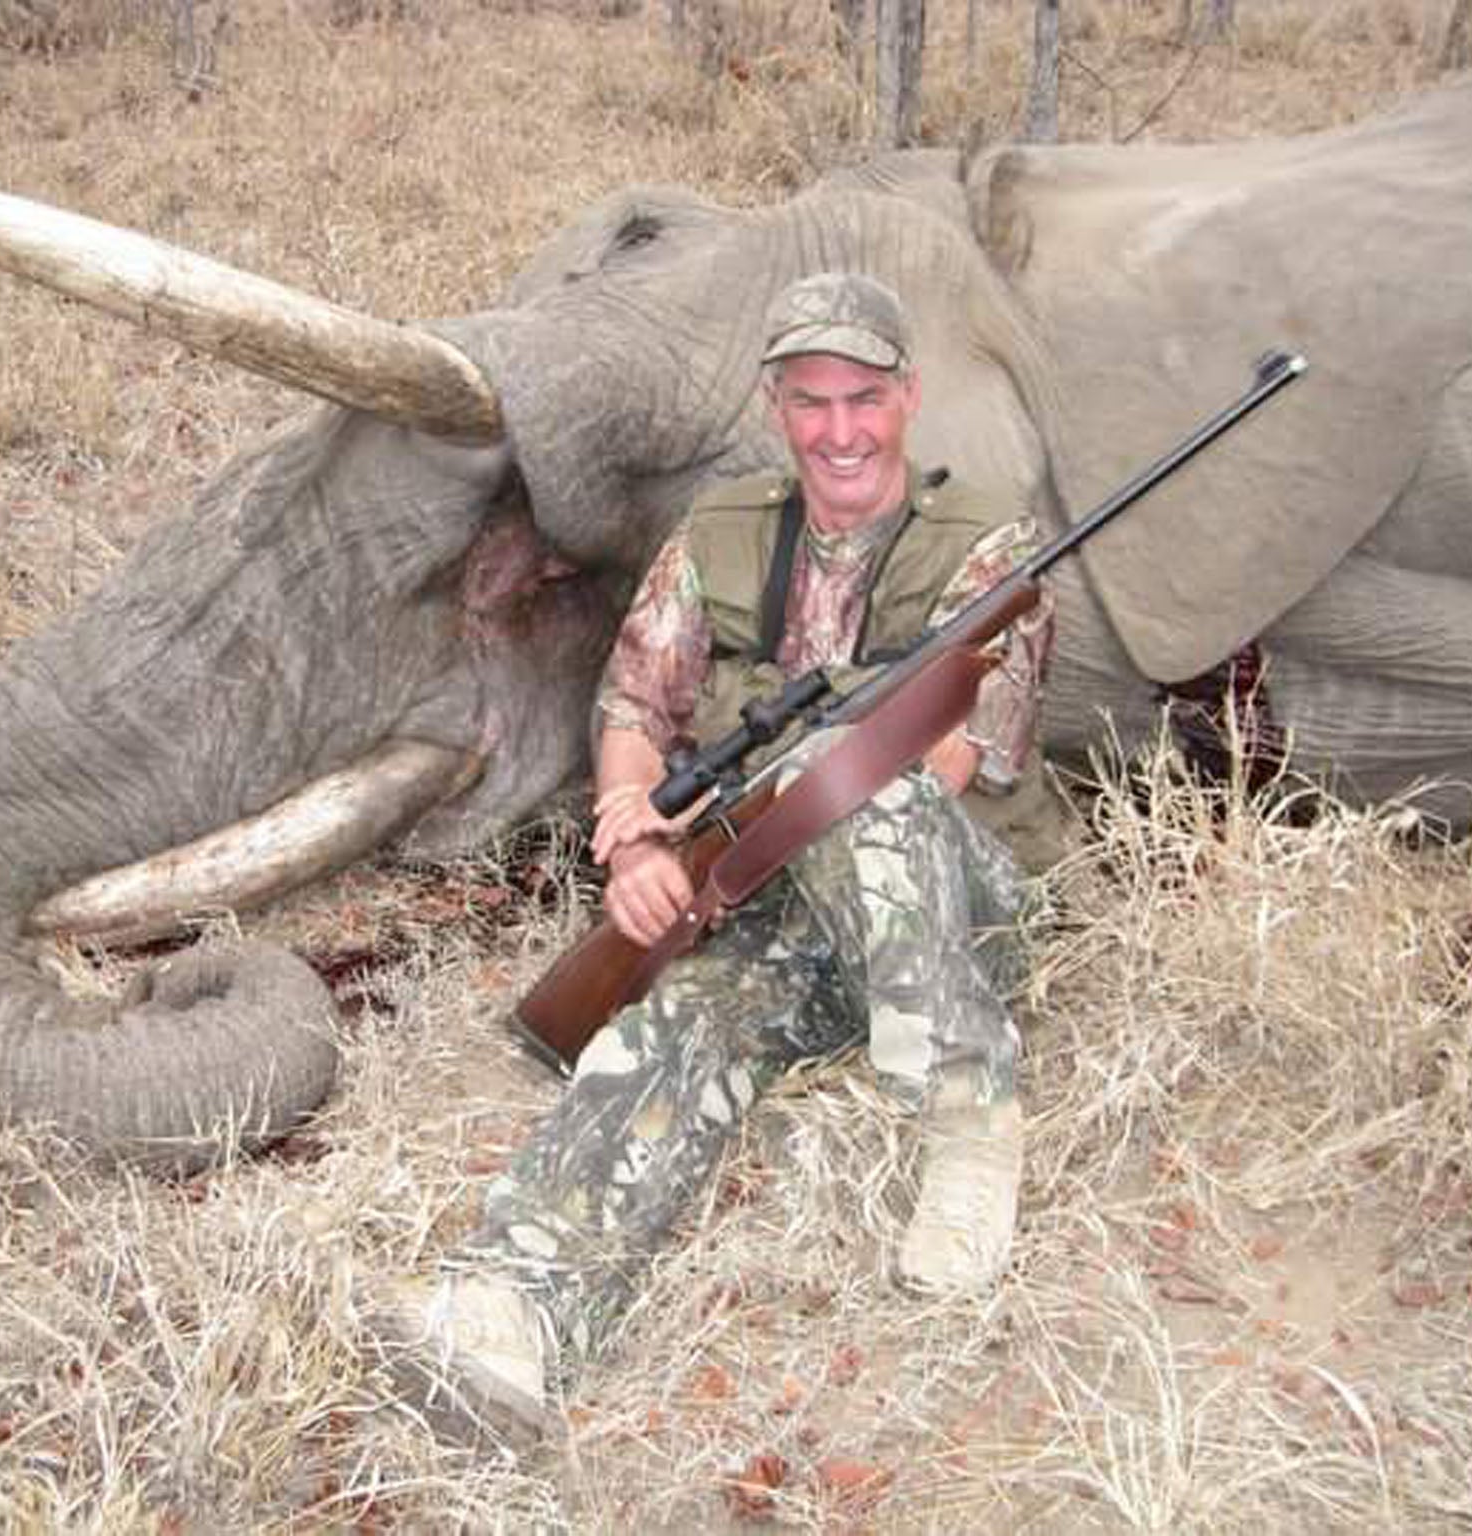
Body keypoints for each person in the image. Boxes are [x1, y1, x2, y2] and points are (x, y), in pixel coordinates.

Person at [377, 272, 1057, 1451]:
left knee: (861, 778)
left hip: (944, 908)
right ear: (775, 406)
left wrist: (796, 793)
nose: (837, 431)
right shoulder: (724, 533)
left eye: (861, 399)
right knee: (666, 1025)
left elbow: (947, 764)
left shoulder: (990, 548)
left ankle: (965, 1114)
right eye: (809, 403)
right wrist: (636, 835)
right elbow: (636, 705)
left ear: (905, 399)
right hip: (770, 903)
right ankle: (507, 1310)